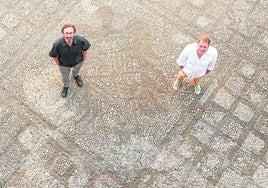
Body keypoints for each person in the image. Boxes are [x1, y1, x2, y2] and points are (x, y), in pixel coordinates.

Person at [49, 23, 91, 98]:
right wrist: (59, 64)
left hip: (78, 61)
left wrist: (84, 58)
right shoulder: (57, 44)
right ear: (63, 34)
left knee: (76, 70)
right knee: (65, 76)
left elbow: (85, 49)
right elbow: (54, 55)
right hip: (64, 64)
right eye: (66, 33)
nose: (68, 35)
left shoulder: (81, 40)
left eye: (70, 33)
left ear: (74, 33)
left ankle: (75, 75)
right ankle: (66, 86)